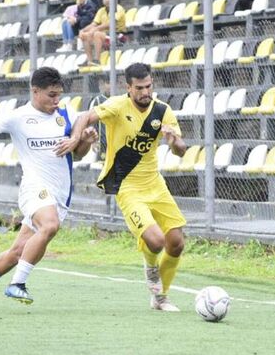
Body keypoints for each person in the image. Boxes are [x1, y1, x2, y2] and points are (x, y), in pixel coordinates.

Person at [0, 67, 98, 309]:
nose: (57, 100)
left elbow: (76, 156)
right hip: (34, 187)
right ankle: (18, 284)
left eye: (59, 95)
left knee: (17, 253)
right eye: (51, 95)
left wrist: (85, 140)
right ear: (35, 91)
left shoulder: (65, 114)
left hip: (59, 193)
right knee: (50, 225)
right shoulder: (18, 117)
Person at [69, 63, 187, 311]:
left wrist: (174, 141)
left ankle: (159, 298)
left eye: (149, 86)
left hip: (155, 184)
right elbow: (84, 117)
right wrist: (74, 139)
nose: (146, 92)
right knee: (155, 242)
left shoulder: (162, 111)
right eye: (140, 88)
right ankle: (152, 271)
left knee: (176, 242)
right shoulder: (117, 106)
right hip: (127, 186)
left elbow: (180, 151)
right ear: (129, 87)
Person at [79, 0, 126, 66]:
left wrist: (95, 29)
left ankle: (97, 60)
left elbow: (111, 23)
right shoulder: (101, 10)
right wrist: (83, 30)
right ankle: (90, 61)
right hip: (107, 36)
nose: (107, 0)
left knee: (97, 34)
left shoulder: (118, 8)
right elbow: (94, 24)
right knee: (85, 35)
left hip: (119, 36)